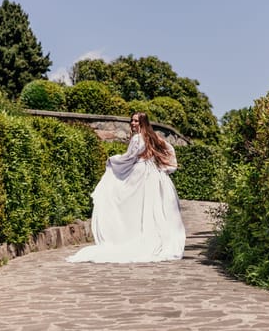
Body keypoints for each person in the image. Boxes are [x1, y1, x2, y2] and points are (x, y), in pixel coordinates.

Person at [65, 112, 186, 263]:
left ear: (142, 122)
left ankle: (130, 235)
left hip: (140, 173)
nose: (132, 123)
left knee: (128, 202)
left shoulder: (137, 138)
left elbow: (128, 157)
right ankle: (152, 238)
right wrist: (165, 167)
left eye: (136, 121)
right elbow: (170, 150)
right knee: (149, 208)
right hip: (153, 173)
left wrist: (113, 160)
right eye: (132, 120)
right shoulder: (153, 137)